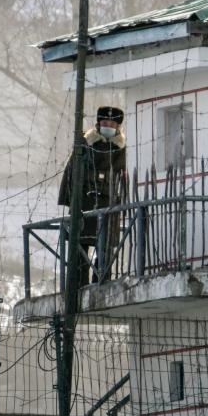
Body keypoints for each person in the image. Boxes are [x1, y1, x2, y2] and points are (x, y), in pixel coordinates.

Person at [58, 106, 127, 284]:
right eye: (105, 122)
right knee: (81, 245)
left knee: (105, 249)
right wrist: (72, 202)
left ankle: (101, 283)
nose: (108, 125)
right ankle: (79, 285)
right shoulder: (85, 143)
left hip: (109, 204)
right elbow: (72, 172)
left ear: (117, 125)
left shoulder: (121, 148)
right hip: (85, 202)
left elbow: (122, 176)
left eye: (112, 123)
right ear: (98, 123)